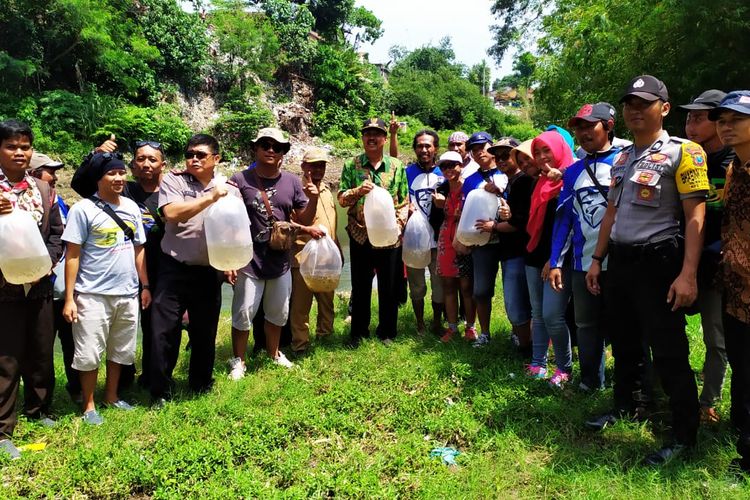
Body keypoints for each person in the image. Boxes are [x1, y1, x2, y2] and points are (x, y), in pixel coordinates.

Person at [585, 75, 708, 465]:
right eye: (629, 104)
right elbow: (612, 212)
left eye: (644, 103)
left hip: (659, 262)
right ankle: (628, 406)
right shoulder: (622, 157)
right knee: (624, 343)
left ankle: (683, 433)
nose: (635, 110)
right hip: (620, 262)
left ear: (665, 108)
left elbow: (695, 217)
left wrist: (688, 274)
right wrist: (597, 259)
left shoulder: (683, 152)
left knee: (669, 349)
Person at [149, 134, 239, 405]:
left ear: (216, 159)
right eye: (190, 154)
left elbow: (232, 230)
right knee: (163, 330)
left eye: (201, 154)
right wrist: (211, 197)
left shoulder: (230, 189)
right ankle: (160, 391)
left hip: (209, 270)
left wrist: (230, 263)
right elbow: (172, 214)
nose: (194, 159)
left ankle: (201, 384)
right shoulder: (174, 180)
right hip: (174, 267)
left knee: (204, 330)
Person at [62, 153, 150, 425]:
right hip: (92, 294)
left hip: (127, 293)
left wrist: (144, 285)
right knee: (88, 353)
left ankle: (111, 396)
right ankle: (88, 406)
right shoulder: (83, 210)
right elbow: (73, 255)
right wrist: (69, 298)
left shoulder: (132, 208)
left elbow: (139, 249)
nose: (119, 178)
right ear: (98, 179)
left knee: (121, 350)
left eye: (122, 173)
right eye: (112, 174)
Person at [227, 128, 315, 374]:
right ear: (255, 148)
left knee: (278, 312)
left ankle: (274, 353)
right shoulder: (239, 180)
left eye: (276, 147)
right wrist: (229, 260)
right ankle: (239, 361)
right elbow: (227, 220)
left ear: (283, 153)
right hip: (248, 260)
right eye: (265, 145)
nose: (270, 150)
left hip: (280, 261)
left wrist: (314, 198)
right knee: (243, 313)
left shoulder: (292, 181)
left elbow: (303, 216)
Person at [0, 120, 64, 459]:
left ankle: (39, 410)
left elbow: (56, 233)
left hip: (39, 284)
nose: (19, 152)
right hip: (3, 286)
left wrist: (47, 265)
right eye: (12, 146)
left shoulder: (42, 188)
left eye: (25, 147)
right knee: (6, 357)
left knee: (41, 351)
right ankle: (2, 430)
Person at [549, 103, 620, 392]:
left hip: (621, 263)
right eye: (578, 127)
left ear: (609, 125)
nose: (583, 132)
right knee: (586, 325)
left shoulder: (626, 160)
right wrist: (555, 261)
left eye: (590, 125)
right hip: (582, 263)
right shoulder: (572, 172)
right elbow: (564, 219)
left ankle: (636, 388)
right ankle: (591, 381)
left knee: (628, 324)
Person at [679, 90, 733, 424]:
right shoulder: (686, 158)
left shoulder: (734, 161)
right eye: (689, 117)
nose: (691, 124)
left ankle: (708, 401)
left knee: (716, 336)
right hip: (683, 258)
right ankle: (668, 387)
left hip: (718, 263)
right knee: (668, 327)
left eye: (700, 117)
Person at [338, 117, 408, 347]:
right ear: (362, 138)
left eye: (377, 134)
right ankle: (358, 332)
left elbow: (404, 201)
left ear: (385, 139)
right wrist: (358, 191)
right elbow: (341, 199)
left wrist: (399, 226)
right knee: (360, 284)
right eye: (367, 133)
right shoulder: (351, 165)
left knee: (388, 284)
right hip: (360, 233)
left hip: (389, 235)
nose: (372, 137)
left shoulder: (396, 166)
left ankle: (387, 332)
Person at [709, 91, 750, 473]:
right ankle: (743, 437)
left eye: (736, 119)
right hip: (735, 289)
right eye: (721, 120)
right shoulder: (736, 169)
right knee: (741, 364)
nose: (726, 126)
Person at [524, 131, 575, 387]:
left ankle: (564, 368)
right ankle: (538, 362)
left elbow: (569, 225)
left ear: (559, 149)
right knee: (537, 313)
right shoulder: (541, 182)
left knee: (553, 314)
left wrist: (552, 259)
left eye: (547, 151)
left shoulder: (572, 178)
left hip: (558, 260)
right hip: (533, 254)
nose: (543, 157)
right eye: (538, 152)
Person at [28, 153, 80, 402]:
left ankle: (77, 388)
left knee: (73, 343)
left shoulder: (59, 202)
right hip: (41, 287)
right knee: (40, 348)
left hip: (66, 290)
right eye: (50, 171)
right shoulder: (28, 204)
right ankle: (38, 400)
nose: (56, 176)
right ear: (35, 173)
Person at [288, 147, 338, 355]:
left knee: (327, 300)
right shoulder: (295, 190)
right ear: (303, 166)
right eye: (313, 165)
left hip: (326, 255)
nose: (318, 169)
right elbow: (290, 222)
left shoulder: (326, 190)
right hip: (302, 256)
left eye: (322, 165)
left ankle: (325, 335)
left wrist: (338, 250)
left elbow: (332, 222)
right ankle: (300, 343)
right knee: (301, 305)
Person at [488, 137, 533, 357]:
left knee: (517, 303)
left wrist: (492, 226)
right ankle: (524, 343)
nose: (501, 160)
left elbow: (518, 223)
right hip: (512, 252)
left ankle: (526, 350)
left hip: (519, 252)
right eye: (497, 157)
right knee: (521, 302)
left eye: (506, 155)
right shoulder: (512, 182)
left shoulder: (522, 181)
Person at [463, 132, 508, 347]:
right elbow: (466, 212)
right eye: (474, 149)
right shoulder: (470, 180)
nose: (479, 151)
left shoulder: (507, 171)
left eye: (483, 146)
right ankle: (485, 333)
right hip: (483, 242)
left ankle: (519, 332)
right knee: (481, 290)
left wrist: (499, 193)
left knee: (514, 290)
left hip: (510, 239)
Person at [433, 151, 477, 342]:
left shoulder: (469, 188)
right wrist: (439, 206)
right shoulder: (441, 189)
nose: (448, 169)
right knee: (448, 285)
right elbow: (433, 218)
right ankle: (452, 327)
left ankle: (470, 326)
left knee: (466, 286)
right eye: (444, 166)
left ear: (461, 165)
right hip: (446, 238)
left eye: (453, 165)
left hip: (464, 237)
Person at [405, 129, 445, 335]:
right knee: (417, 284)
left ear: (435, 148)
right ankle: (420, 323)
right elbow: (398, 199)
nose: (424, 149)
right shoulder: (407, 173)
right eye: (420, 145)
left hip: (438, 239)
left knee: (439, 284)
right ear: (415, 149)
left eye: (428, 145)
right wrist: (406, 209)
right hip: (414, 239)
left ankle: (437, 322)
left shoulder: (444, 173)